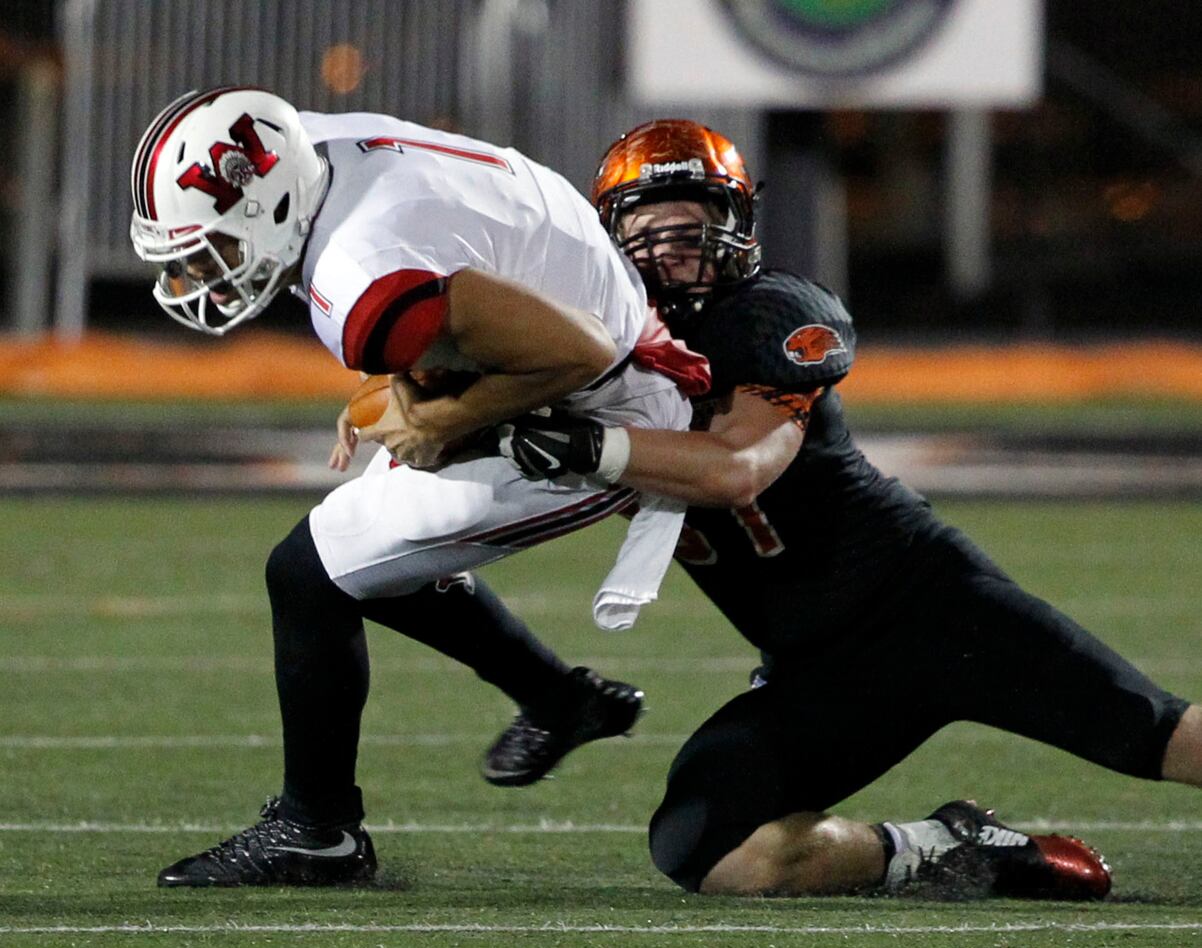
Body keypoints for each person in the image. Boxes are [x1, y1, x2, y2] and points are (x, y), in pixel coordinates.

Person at [489, 119, 1202, 900]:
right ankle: (953, 849)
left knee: (1160, 737)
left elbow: (736, 469)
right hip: (818, 668)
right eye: (648, 229)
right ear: (607, 238)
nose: (671, 250)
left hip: (932, 612)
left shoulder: (768, 314)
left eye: (696, 226)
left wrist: (582, 444)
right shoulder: (584, 351)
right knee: (706, 846)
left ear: (739, 228)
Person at [128, 88, 708, 887]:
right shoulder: (310, 148)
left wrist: (442, 418)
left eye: (216, 245)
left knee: (310, 573)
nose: (202, 271)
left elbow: (579, 349)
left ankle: (317, 830)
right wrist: (418, 384)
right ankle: (559, 700)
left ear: (277, 202)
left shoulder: (361, 272)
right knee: (364, 554)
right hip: (567, 316)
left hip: (608, 402)